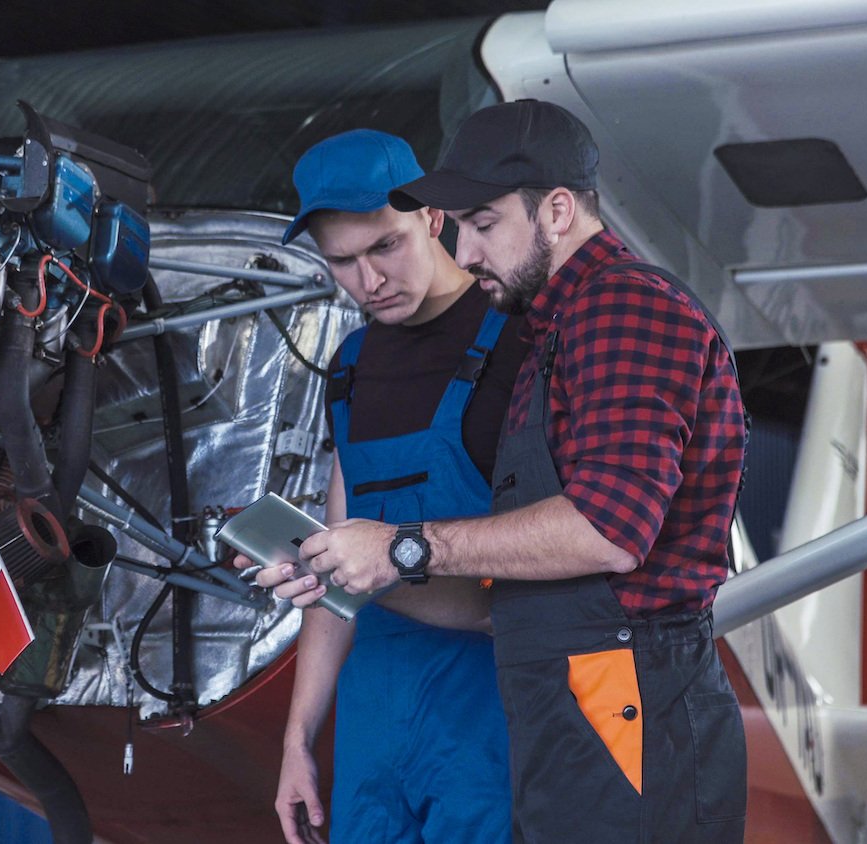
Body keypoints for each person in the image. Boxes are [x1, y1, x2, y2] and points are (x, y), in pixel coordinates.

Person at [268, 101, 750, 843]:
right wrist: (336, 578)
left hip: (595, 698)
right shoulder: (556, 329)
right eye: (342, 261)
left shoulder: (615, 312)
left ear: (557, 210)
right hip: (546, 704)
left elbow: (605, 531)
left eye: (483, 225)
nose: (466, 251)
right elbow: (492, 591)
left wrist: (398, 550)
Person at [242, 129, 526, 844]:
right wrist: (297, 741)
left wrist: (364, 565)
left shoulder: (521, 342)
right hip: (373, 729)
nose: (369, 281)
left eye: (385, 247)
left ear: (434, 217)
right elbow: (338, 574)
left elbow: (533, 577)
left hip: (492, 719)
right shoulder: (351, 364)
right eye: (342, 261)